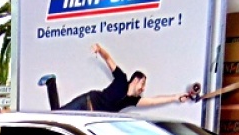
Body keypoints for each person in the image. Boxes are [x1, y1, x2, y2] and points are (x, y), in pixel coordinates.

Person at [43, 43, 190, 112]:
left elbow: (153, 101)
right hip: (86, 102)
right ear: (135, 80)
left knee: (57, 117)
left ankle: (51, 82)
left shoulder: (132, 100)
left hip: (91, 115)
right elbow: (109, 60)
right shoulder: (121, 79)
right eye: (143, 84)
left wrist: (175, 97)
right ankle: (51, 82)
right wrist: (100, 50)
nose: (143, 89)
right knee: (57, 115)